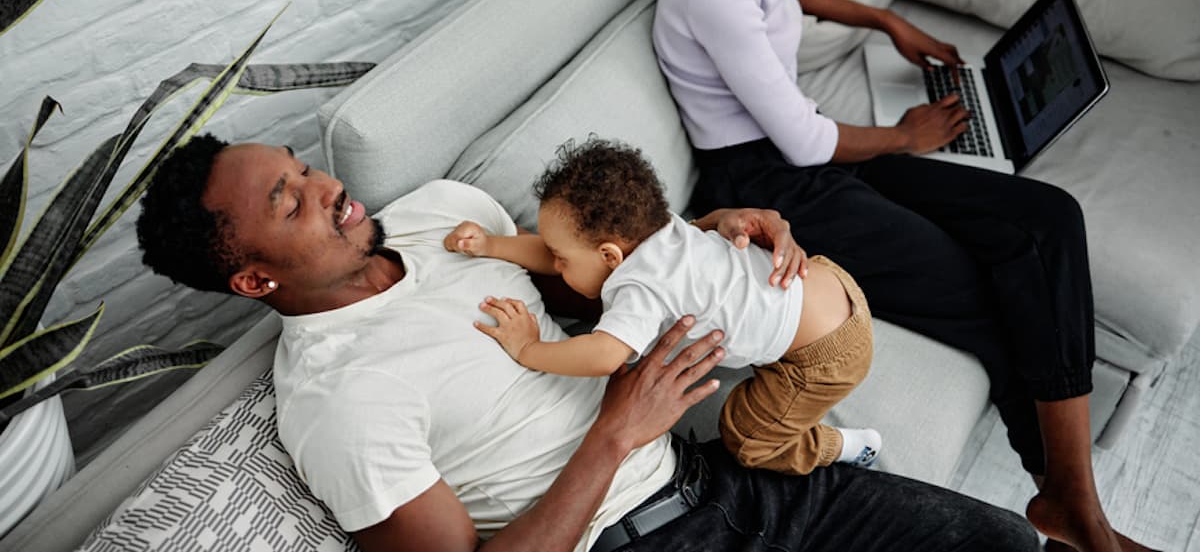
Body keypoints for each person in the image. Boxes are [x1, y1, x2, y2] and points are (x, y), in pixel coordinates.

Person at [652, 0, 1154, 552]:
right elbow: (806, 140)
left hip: (803, 152)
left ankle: (1070, 509)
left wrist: (883, 18)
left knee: (1048, 220)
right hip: (771, 183)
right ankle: (1080, 517)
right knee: (986, 284)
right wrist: (905, 134)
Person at [136, 134, 1040, 552]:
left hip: (722, 472)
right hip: (633, 536)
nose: (328, 185)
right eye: (289, 201)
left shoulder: (443, 214)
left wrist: (691, 244)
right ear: (254, 280)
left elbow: (593, 277)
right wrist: (614, 433)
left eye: (302, 166)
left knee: (999, 540)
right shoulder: (338, 400)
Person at [444, 137, 880, 474]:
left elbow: (603, 355)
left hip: (822, 357)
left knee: (749, 439)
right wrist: (491, 244)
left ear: (611, 257)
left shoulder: (643, 288)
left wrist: (528, 350)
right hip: (827, 281)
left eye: (561, 257)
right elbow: (559, 257)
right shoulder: (660, 230)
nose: (554, 263)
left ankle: (842, 447)